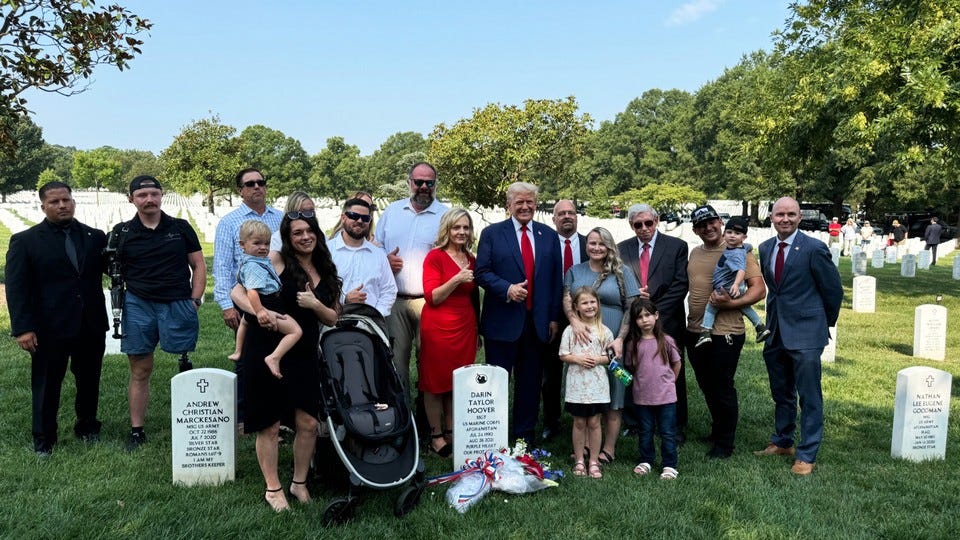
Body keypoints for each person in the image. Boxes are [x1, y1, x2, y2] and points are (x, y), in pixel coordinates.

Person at [231, 212, 340, 511]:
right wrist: (259, 314)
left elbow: (333, 317)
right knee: (269, 423)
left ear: (317, 233)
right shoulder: (275, 259)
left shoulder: (326, 270)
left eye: (309, 231)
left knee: (307, 422)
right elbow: (236, 291)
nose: (304, 237)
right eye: (297, 233)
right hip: (265, 346)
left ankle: (299, 482)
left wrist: (316, 304)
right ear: (288, 238)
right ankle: (273, 488)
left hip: (303, 351)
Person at [5, 181, 107, 455]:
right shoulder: (26, 241)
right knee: (47, 383)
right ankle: (44, 439)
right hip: (49, 327)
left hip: (90, 323)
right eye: (54, 202)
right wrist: (23, 328)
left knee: (89, 380)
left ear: (73, 201)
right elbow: (16, 288)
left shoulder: (94, 236)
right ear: (43, 206)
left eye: (66, 200)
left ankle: (87, 427)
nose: (62, 205)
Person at [111, 176, 205, 450]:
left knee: (184, 363)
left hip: (177, 301)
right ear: (131, 199)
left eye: (154, 194)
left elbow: (198, 265)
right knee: (140, 369)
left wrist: (195, 300)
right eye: (142, 195)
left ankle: (191, 421)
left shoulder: (180, 228)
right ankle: (137, 429)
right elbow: (111, 269)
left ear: (162, 195)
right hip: (138, 304)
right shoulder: (122, 232)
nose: (149, 199)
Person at [755, 197, 842, 475]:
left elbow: (833, 291)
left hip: (806, 333)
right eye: (780, 214)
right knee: (781, 392)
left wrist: (821, 324)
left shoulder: (814, 248)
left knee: (809, 396)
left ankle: (806, 453)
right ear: (771, 217)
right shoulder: (766, 247)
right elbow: (775, 290)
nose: (785, 219)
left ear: (800, 217)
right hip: (776, 331)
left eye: (791, 214)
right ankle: (783, 440)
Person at [475, 181, 563, 444]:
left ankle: (524, 437)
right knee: (498, 384)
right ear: (509, 205)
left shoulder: (548, 235)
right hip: (501, 322)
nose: (525, 207)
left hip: (537, 324)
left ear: (536, 204)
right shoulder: (492, 234)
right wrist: (507, 288)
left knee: (530, 384)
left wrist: (553, 318)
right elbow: (481, 272)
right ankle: (496, 436)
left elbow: (554, 281)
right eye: (519, 202)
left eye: (530, 202)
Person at [684, 205, 766, 460]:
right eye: (702, 225)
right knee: (706, 385)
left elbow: (758, 290)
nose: (708, 228)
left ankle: (725, 444)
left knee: (722, 386)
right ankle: (717, 429)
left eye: (712, 222)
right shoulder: (695, 253)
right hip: (696, 329)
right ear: (696, 230)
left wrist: (729, 304)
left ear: (720, 222)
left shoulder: (738, 251)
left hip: (726, 332)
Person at [214, 168, 283, 425]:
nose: (257, 187)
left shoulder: (280, 218)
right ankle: (246, 415)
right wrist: (226, 305)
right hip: (246, 299)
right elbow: (221, 266)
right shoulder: (229, 223)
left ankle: (279, 413)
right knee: (248, 359)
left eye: (261, 182)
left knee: (280, 355)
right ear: (240, 190)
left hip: (277, 298)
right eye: (250, 183)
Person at [563, 227, 639, 464]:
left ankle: (608, 447)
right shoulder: (575, 271)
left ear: (609, 246)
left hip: (612, 337)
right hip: (582, 339)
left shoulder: (621, 271)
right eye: (592, 243)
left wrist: (620, 338)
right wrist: (574, 322)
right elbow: (567, 299)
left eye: (601, 244)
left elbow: (631, 306)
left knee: (614, 389)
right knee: (585, 386)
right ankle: (584, 445)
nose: (596, 248)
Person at [374, 163, 449, 398]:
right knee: (397, 364)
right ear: (409, 183)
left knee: (429, 363)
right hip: (395, 301)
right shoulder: (392, 212)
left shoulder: (445, 215)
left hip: (431, 303)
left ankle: (429, 423)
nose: (424, 187)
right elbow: (375, 248)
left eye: (430, 183)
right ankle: (403, 422)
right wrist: (385, 260)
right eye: (419, 182)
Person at [616, 203, 689, 443]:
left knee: (670, 368)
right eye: (638, 224)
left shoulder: (677, 246)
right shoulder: (622, 249)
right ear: (631, 225)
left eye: (649, 222)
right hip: (634, 321)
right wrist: (638, 315)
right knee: (635, 368)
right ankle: (635, 421)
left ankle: (675, 423)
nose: (644, 228)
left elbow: (680, 285)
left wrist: (652, 312)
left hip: (667, 319)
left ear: (656, 220)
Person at [419, 208, 479, 456]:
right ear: (447, 229)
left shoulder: (472, 259)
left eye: (465, 227)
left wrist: (479, 331)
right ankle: (435, 436)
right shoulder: (435, 257)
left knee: (457, 382)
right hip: (438, 326)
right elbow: (432, 297)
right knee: (435, 382)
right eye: (457, 227)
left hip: (465, 325)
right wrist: (457, 279)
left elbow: (475, 296)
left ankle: (453, 431)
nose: (461, 232)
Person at [228, 220, 302, 378]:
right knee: (295, 331)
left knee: (245, 322)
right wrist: (260, 311)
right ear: (242, 244)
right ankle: (274, 357)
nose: (263, 247)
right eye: (257, 243)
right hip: (268, 302)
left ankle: (238, 351)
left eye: (267, 243)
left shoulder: (252, 261)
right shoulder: (254, 266)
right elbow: (252, 292)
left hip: (263, 301)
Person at [542, 199, 587, 441]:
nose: (567, 216)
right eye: (562, 213)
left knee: (589, 365)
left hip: (586, 314)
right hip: (554, 315)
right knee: (551, 371)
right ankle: (552, 420)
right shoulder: (545, 244)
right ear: (554, 218)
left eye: (571, 212)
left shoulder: (590, 243)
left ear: (577, 216)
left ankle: (590, 416)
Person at [622, 298, 681, 480]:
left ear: (656, 316)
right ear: (635, 321)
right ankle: (646, 460)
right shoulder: (633, 344)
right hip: (642, 398)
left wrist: (670, 382)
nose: (644, 320)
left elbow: (676, 363)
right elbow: (631, 367)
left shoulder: (666, 341)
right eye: (639, 317)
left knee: (667, 432)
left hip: (666, 397)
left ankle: (670, 465)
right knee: (645, 431)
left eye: (648, 315)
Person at [559, 286, 613, 479]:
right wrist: (578, 359)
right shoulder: (569, 330)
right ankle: (580, 459)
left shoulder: (604, 331)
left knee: (595, 422)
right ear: (576, 307)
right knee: (580, 422)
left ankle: (594, 461)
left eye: (592, 302)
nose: (589, 306)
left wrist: (599, 360)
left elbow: (610, 357)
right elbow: (563, 354)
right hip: (578, 385)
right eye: (584, 303)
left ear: (598, 304)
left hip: (598, 385)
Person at [695, 217, 769, 348]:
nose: (733, 236)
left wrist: (735, 284)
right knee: (745, 307)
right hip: (731, 286)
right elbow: (746, 247)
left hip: (727, 287)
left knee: (711, 307)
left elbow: (741, 269)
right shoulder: (740, 248)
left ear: (744, 237)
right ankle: (760, 326)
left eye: (737, 234)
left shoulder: (735, 254)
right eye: (730, 232)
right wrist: (747, 246)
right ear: (724, 234)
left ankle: (705, 332)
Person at [329, 197, 397, 316]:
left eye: (365, 218)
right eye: (354, 216)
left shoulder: (378, 255)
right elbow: (318, 289)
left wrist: (376, 315)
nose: (360, 221)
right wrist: (344, 301)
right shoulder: (327, 251)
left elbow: (389, 290)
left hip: (370, 325)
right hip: (333, 323)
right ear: (343, 218)